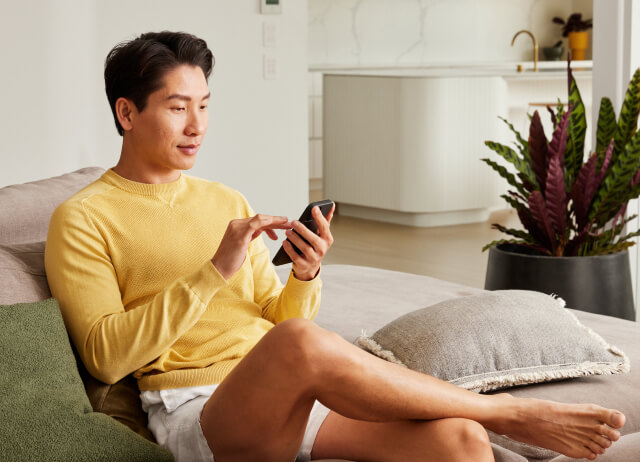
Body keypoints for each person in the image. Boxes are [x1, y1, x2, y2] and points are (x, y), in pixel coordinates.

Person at [45, 31, 626, 462]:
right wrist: (211, 273)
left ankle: (483, 421)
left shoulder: (224, 198)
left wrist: (304, 276)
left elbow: (276, 319)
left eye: (204, 105)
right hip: (200, 413)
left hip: (293, 396)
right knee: (302, 343)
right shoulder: (83, 218)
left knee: (460, 442)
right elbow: (105, 355)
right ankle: (511, 412)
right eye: (177, 108)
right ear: (127, 113)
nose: (197, 124)